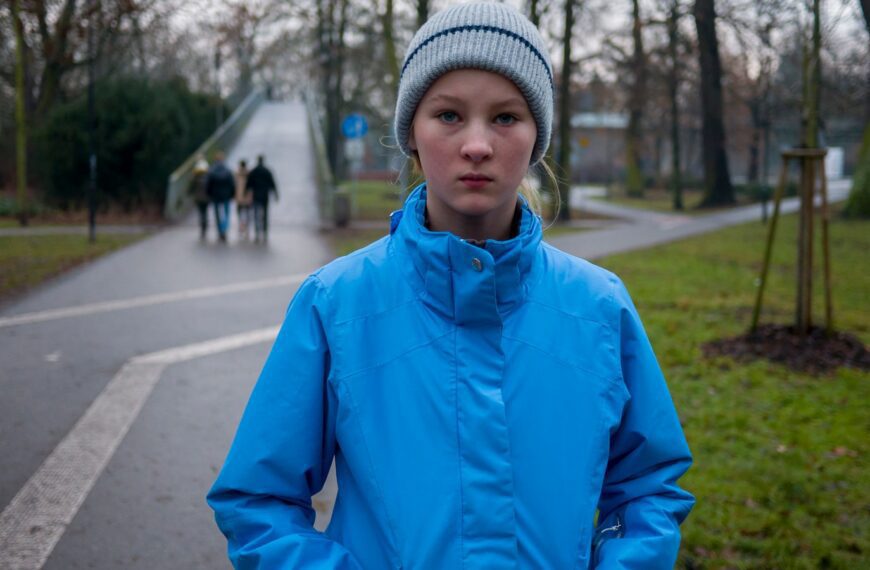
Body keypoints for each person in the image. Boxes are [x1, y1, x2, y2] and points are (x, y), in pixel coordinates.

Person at [208, 3, 694, 569]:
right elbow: (259, 500)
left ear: (538, 137)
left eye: (507, 117)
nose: (478, 145)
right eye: (448, 115)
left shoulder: (599, 308)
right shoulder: (335, 304)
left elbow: (647, 489)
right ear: (411, 132)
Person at [245, 155, 278, 242]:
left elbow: (248, 184)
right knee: (265, 215)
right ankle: (265, 232)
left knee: (256, 214)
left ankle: (257, 233)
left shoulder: (254, 171)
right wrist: (276, 194)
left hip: (256, 196)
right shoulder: (267, 171)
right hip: (265, 196)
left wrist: (246, 193)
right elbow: (272, 183)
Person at [206, 150, 235, 242]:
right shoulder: (227, 170)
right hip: (226, 195)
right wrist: (232, 194)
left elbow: (208, 184)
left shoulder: (212, 170)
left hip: (215, 195)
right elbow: (232, 184)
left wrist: (209, 193)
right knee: (226, 213)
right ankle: (224, 229)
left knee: (217, 213)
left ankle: (219, 230)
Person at [188, 157, 210, 240]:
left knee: (201, 213)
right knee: (205, 212)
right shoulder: (208, 176)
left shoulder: (195, 177)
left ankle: (202, 227)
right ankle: (205, 226)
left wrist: (189, 193)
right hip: (207, 198)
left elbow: (190, 187)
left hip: (198, 198)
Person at [234, 159, 252, 239]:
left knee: (240, 213)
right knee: (248, 214)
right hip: (248, 197)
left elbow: (233, 186)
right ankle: (247, 228)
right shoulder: (249, 174)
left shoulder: (237, 174)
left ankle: (241, 227)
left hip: (239, 197)